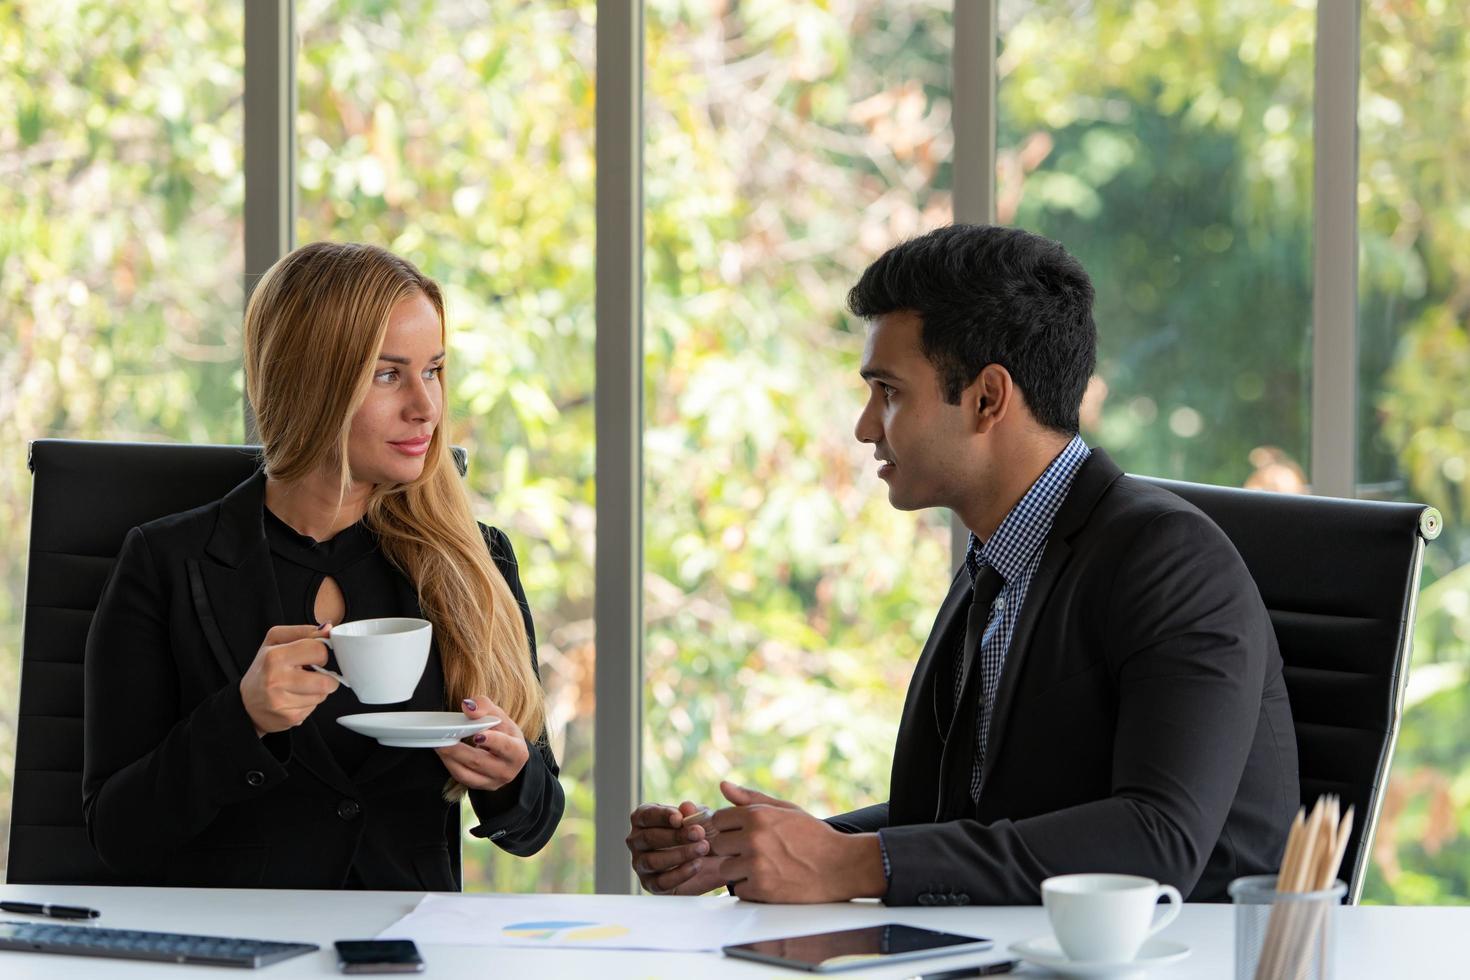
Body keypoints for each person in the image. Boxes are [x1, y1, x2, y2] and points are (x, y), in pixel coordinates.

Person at [626, 224, 1297, 905]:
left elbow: (1159, 841)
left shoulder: (1170, 561)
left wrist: (856, 865)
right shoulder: (998, 563)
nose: (864, 427)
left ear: (987, 399)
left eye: (888, 392)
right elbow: (956, 817)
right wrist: (761, 850)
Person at [83, 242, 564, 889]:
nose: (427, 408)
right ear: (311, 381)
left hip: (407, 950)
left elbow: (535, 825)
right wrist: (241, 719)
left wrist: (511, 779)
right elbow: (116, 834)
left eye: (435, 370)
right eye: (389, 374)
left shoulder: (475, 561)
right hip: (235, 950)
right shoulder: (168, 563)